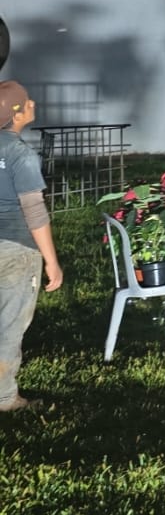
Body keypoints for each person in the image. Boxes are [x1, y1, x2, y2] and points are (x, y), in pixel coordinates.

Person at [0, 80, 63, 413]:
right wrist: (51, 261)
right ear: (16, 113)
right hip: (14, 250)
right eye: (27, 102)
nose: (33, 104)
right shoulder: (19, 154)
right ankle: (5, 398)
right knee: (9, 323)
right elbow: (34, 211)